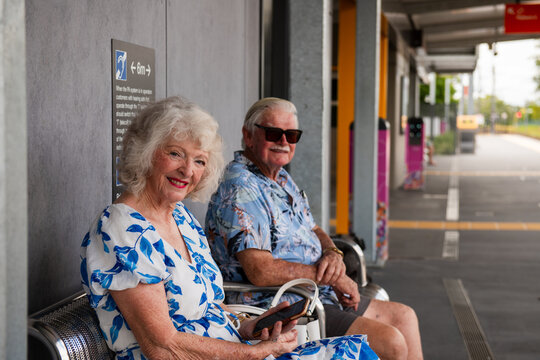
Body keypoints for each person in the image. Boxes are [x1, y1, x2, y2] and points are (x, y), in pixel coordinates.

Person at [80, 96, 379, 360]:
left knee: (356, 352)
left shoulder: (180, 217)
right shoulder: (122, 229)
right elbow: (163, 347)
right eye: (175, 154)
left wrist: (251, 327)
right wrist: (251, 353)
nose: (188, 170)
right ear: (145, 152)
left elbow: (208, 310)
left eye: (199, 161)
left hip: (230, 350)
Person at [205, 97, 424, 360]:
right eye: (274, 133)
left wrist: (332, 253)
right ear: (248, 136)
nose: (284, 141)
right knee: (392, 343)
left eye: (292, 135)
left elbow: (314, 228)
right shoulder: (241, 187)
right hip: (282, 305)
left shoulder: (280, 177)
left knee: (405, 317)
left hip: (317, 294)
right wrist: (333, 277)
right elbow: (261, 271)